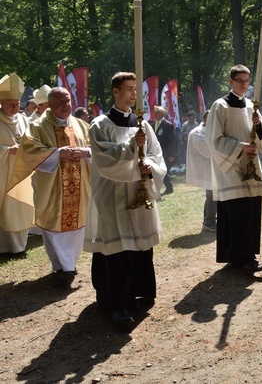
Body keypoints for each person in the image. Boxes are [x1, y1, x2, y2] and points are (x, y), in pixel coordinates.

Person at [84, 72, 166, 328]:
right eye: (128, 89)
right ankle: (116, 303)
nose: (134, 94)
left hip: (139, 192)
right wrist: (132, 150)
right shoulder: (100, 124)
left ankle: (138, 292)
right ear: (116, 91)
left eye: (136, 90)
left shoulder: (144, 124)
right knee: (117, 249)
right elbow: (104, 160)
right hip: (113, 195)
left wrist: (148, 168)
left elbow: (156, 154)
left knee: (139, 245)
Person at [13, 88, 91, 287]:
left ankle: (69, 265)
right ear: (49, 104)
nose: (65, 106)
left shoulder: (81, 125)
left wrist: (86, 152)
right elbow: (29, 151)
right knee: (53, 223)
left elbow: (94, 147)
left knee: (76, 225)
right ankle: (62, 267)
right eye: (59, 103)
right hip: (52, 188)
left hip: (80, 186)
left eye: (67, 101)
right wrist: (57, 153)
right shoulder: (38, 126)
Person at [206, 64, 262, 273]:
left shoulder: (252, 105)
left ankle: (236, 254)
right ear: (231, 81)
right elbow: (214, 139)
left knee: (250, 210)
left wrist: (258, 126)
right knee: (239, 213)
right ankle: (245, 259)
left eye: (247, 80)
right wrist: (240, 147)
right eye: (240, 80)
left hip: (250, 164)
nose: (244, 84)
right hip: (231, 166)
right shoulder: (220, 106)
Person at [0, 73, 34, 254]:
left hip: (21, 171)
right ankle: (4, 246)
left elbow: (30, 139)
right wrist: (6, 149)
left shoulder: (22, 119)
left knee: (19, 206)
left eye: (17, 104)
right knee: (5, 208)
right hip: (3, 172)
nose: (15, 107)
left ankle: (19, 246)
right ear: (2, 103)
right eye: (11, 104)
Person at [186, 111, 217, 232]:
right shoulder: (197, 133)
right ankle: (208, 222)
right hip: (207, 168)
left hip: (215, 168)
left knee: (215, 194)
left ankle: (210, 220)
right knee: (212, 194)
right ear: (204, 119)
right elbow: (208, 150)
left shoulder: (212, 131)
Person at [150, 106, 176, 195]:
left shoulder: (168, 125)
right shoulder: (153, 125)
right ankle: (167, 187)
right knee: (157, 170)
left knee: (163, 170)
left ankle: (169, 187)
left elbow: (171, 140)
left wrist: (171, 154)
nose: (155, 115)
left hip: (165, 152)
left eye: (156, 113)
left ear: (161, 114)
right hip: (155, 152)